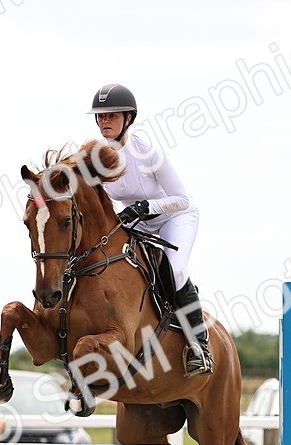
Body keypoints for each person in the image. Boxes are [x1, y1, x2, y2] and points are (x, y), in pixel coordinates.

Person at [90, 83, 212, 376]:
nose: (105, 122)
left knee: (175, 270)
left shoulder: (146, 151)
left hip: (174, 216)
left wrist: (146, 208)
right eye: (101, 117)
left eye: (112, 116)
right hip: (135, 218)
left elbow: (182, 198)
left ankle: (200, 346)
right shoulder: (96, 157)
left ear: (128, 119)